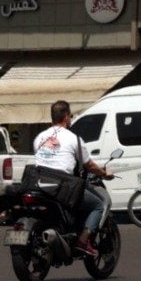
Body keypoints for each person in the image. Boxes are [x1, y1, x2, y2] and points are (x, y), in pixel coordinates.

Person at [30, 99, 113, 254]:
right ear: (66, 117)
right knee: (98, 205)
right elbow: (89, 165)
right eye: (71, 116)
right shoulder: (73, 138)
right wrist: (104, 174)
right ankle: (82, 241)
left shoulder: (39, 137)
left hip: (39, 184)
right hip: (62, 187)